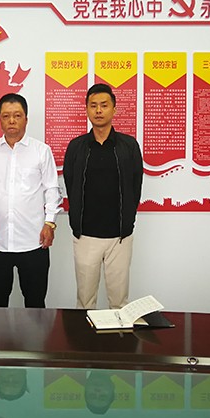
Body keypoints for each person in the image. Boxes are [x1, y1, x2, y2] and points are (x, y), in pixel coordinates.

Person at [0, 93, 62, 308]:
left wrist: (50, 223)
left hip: (34, 241)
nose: (11, 120)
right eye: (6, 116)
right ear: (0, 120)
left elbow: (52, 189)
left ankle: (34, 334)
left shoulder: (41, 151)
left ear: (26, 119)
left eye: (17, 115)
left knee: (35, 303)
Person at [63, 83, 143, 310]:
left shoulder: (128, 146)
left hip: (119, 237)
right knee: (85, 302)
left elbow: (135, 186)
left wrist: (128, 222)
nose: (98, 110)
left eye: (104, 105)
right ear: (87, 109)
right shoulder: (76, 147)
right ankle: (84, 335)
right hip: (86, 236)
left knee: (119, 303)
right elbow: (70, 183)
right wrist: (76, 223)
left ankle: (118, 334)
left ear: (114, 109)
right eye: (93, 105)